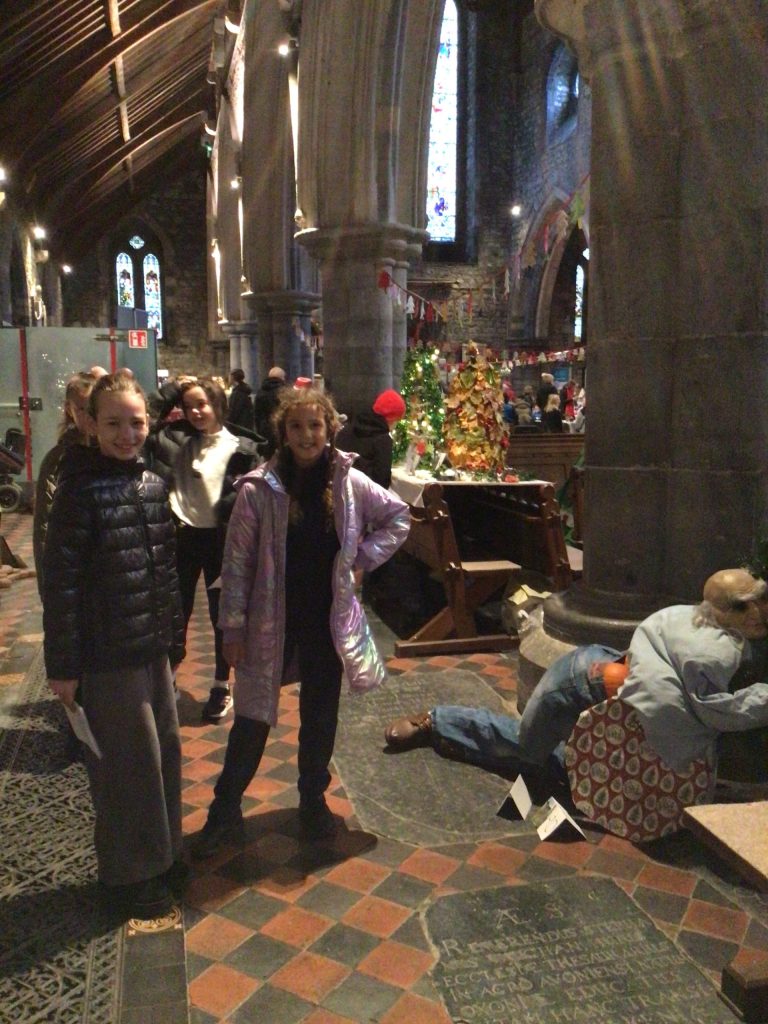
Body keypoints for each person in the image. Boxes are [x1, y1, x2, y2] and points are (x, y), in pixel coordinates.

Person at [192, 386, 410, 857]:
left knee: (320, 714)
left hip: (326, 619)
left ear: (330, 428)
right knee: (252, 717)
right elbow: (237, 565)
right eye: (296, 426)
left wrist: (361, 559)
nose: (307, 435)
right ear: (283, 432)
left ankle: (313, 802)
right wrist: (232, 628)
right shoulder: (260, 488)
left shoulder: (349, 482)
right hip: (270, 620)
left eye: (315, 425)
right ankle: (224, 810)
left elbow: (397, 517)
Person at [385, 568, 768, 791]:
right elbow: (716, 710)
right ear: (720, 609)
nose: (758, 612)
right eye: (744, 605)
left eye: (760, 599)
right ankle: (438, 721)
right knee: (525, 748)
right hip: (577, 680)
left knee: (587, 765)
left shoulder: (695, 618)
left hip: (606, 677)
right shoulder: (711, 650)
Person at [42, 373, 186, 920]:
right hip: (106, 656)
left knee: (164, 754)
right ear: (90, 424)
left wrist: (173, 639)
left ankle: (165, 855)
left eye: (136, 423)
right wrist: (63, 667)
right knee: (127, 769)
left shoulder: (152, 484)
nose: (127, 435)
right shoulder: (78, 490)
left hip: (151, 649)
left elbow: (166, 570)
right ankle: (129, 876)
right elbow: (62, 586)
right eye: (114, 424)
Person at [146, 378, 261, 722]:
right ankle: (169, 680)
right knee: (174, 610)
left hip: (221, 542)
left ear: (218, 405)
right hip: (181, 537)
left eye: (202, 404)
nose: (195, 412)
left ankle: (221, 686)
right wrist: (171, 391)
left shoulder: (242, 449)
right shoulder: (173, 438)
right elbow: (147, 419)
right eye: (188, 406)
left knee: (221, 616)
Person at [33, 370, 98, 598]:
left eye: (93, 408)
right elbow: (44, 525)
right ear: (69, 410)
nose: (88, 416)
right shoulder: (58, 459)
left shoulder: (116, 452)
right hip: (75, 569)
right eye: (81, 409)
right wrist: (47, 587)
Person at [335, 388, 406, 489]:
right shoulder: (383, 440)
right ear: (391, 419)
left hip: (338, 489)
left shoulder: (347, 429)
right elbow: (382, 481)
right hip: (365, 494)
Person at [253, 366, 287, 457]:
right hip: (280, 431)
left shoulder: (261, 392)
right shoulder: (284, 392)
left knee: (267, 457)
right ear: (281, 378)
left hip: (264, 431)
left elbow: (256, 414)